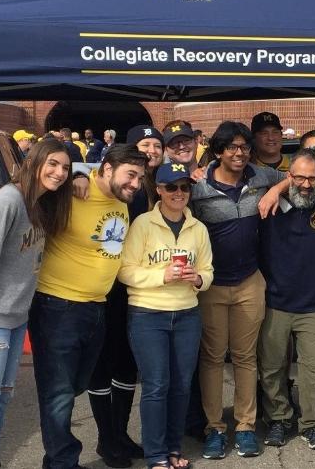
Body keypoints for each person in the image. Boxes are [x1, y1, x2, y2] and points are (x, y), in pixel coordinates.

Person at [28, 145, 147, 469]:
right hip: (58, 308)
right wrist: (78, 176)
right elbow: (34, 185)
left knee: (77, 385)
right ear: (106, 169)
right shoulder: (71, 192)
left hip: (96, 308)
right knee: (58, 394)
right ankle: (61, 462)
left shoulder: (121, 201)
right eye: (130, 175)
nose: (136, 183)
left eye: (140, 177)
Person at [0, 139, 73, 469]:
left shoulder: (38, 203)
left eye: (65, 167)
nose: (59, 172)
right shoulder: (8, 201)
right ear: (34, 161)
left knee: (1, 398)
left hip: (16, 317)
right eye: (52, 164)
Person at [187, 121, 284, 459]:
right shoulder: (197, 187)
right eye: (232, 148)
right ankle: (214, 428)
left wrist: (276, 188)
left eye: (244, 147)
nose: (240, 153)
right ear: (218, 151)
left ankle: (244, 426)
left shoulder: (260, 177)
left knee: (245, 358)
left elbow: (296, 174)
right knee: (212, 358)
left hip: (249, 282)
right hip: (211, 285)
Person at [119, 163, 214, 469]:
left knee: (182, 385)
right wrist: (162, 275)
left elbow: (208, 271)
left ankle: (173, 448)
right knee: (157, 384)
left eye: (184, 187)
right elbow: (125, 271)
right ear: (158, 190)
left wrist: (197, 279)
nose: (179, 193)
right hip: (148, 314)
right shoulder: (143, 224)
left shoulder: (198, 228)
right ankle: (156, 454)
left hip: (186, 314)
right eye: (171, 187)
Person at [82, 125, 166, 468]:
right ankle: (106, 438)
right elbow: (83, 173)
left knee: (126, 363)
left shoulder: (156, 183)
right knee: (101, 363)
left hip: (132, 289)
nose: (150, 150)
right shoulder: (97, 182)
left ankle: (119, 434)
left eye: (155, 145)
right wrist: (78, 175)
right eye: (144, 145)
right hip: (97, 288)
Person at [257, 149, 315, 450]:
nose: (306, 184)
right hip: (274, 300)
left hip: (313, 303)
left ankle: (313, 423)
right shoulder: (268, 204)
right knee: (271, 366)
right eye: (299, 177)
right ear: (288, 176)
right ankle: (279, 418)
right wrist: (276, 188)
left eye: (312, 178)